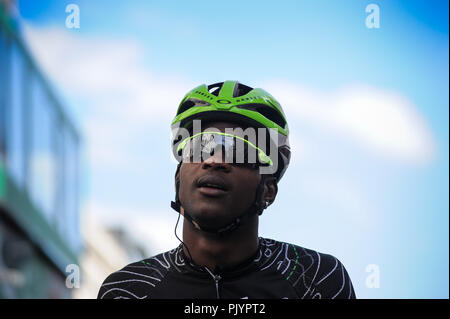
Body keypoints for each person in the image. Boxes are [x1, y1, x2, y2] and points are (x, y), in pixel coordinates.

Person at [97, 81, 356, 299]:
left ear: (269, 190)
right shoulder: (127, 289)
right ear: (178, 178)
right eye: (200, 147)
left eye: (240, 151)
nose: (215, 160)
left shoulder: (317, 278)